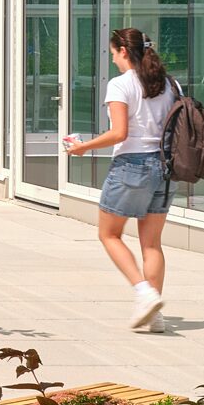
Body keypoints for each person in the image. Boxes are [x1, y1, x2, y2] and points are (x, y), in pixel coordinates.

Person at [65, 28, 173, 332]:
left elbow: (119, 134)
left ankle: (144, 293)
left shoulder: (121, 84)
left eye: (113, 53)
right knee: (151, 243)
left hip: (132, 166)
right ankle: (156, 315)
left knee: (109, 235)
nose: (113, 60)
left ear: (123, 51)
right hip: (165, 167)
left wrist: (82, 147)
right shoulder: (168, 83)